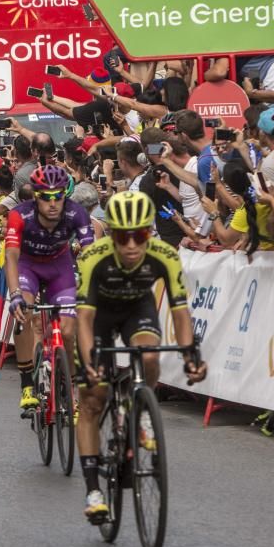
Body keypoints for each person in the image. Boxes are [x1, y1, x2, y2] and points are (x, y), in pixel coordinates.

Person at [75, 192, 207, 523]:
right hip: (100, 316)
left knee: (149, 356)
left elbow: (180, 311)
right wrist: (89, 362)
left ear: (150, 233)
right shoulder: (94, 257)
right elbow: (85, 321)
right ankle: (93, 491)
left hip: (137, 309)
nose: (132, 244)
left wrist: (191, 353)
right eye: (123, 236)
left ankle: (141, 411)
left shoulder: (164, 255)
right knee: (94, 398)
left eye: (141, 235)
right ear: (112, 233)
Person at [5, 165, 94, 413]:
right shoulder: (19, 215)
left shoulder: (77, 214)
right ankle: (27, 386)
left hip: (60, 267)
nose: (53, 203)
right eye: (46, 197)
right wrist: (14, 295)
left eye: (59, 196)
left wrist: (90, 288)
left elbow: (90, 254)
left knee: (67, 329)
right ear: (35, 196)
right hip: (27, 267)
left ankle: (70, 387)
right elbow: (11, 256)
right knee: (23, 314)